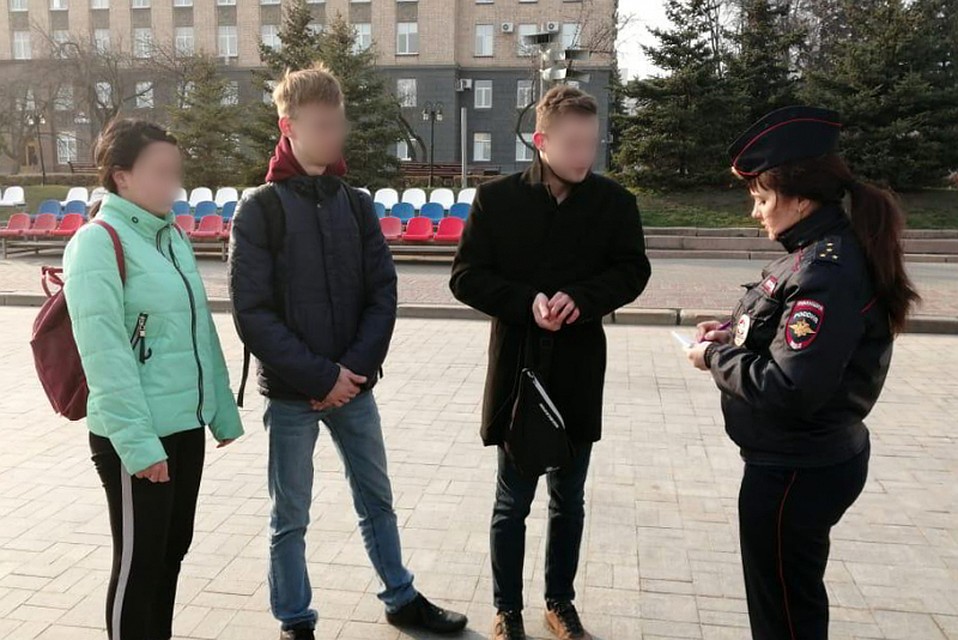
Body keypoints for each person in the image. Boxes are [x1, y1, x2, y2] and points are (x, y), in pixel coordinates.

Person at [228, 64, 468, 640]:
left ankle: (400, 598)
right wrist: (320, 378)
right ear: (288, 127)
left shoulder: (356, 204)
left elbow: (383, 292)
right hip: (293, 395)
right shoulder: (260, 209)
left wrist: (353, 371)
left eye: (338, 123)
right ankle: (295, 619)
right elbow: (252, 314)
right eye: (322, 125)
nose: (335, 135)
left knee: (377, 498)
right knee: (290, 515)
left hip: (355, 388)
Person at [686, 106, 921, 639]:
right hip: (807, 459)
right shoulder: (815, 252)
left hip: (794, 471)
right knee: (790, 602)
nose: (756, 213)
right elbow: (790, 335)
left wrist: (713, 359)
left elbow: (790, 386)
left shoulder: (823, 270)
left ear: (799, 198)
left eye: (762, 199)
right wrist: (731, 333)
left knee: (785, 617)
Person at [450, 85, 652, 640]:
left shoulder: (614, 203)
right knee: (512, 501)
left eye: (591, 143)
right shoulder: (497, 200)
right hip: (519, 368)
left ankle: (559, 602)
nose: (584, 155)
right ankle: (507, 609)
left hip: (578, 369)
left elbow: (633, 271)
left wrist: (583, 299)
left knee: (569, 499)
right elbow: (465, 277)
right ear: (540, 141)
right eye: (572, 144)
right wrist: (526, 303)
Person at [63, 118, 244, 640]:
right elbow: (104, 356)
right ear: (121, 177)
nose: (173, 185)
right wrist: (140, 446)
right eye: (160, 172)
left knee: (171, 553)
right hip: (135, 436)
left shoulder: (171, 237)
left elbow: (200, 331)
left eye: (175, 173)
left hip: (184, 425)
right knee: (138, 565)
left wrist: (220, 411)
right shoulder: (97, 243)